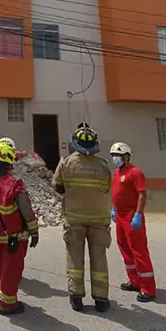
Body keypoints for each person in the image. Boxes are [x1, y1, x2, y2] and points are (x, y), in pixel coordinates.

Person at [53, 125, 113, 313]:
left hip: (75, 219)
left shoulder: (66, 163)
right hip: (99, 220)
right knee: (99, 258)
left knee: (74, 258)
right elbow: (107, 188)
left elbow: (57, 186)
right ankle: (101, 299)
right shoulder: (103, 165)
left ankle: (76, 297)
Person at [0, 140, 40, 315]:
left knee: (0, 257)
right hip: (13, 234)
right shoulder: (13, 183)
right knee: (12, 268)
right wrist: (34, 231)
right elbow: (26, 210)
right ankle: (8, 304)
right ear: (9, 161)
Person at [111, 142, 156, 302]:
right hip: (120, 216)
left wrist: (138, 214)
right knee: (124, 247)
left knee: (138, 250)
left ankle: (148, 288)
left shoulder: (135, 173)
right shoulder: (116, 173)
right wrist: (114, 208)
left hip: (132, 216)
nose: (114, 159)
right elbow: (117, 193)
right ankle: (135, 281)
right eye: (113, 156)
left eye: (117, 156)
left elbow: (142, 195)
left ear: (126, 157)